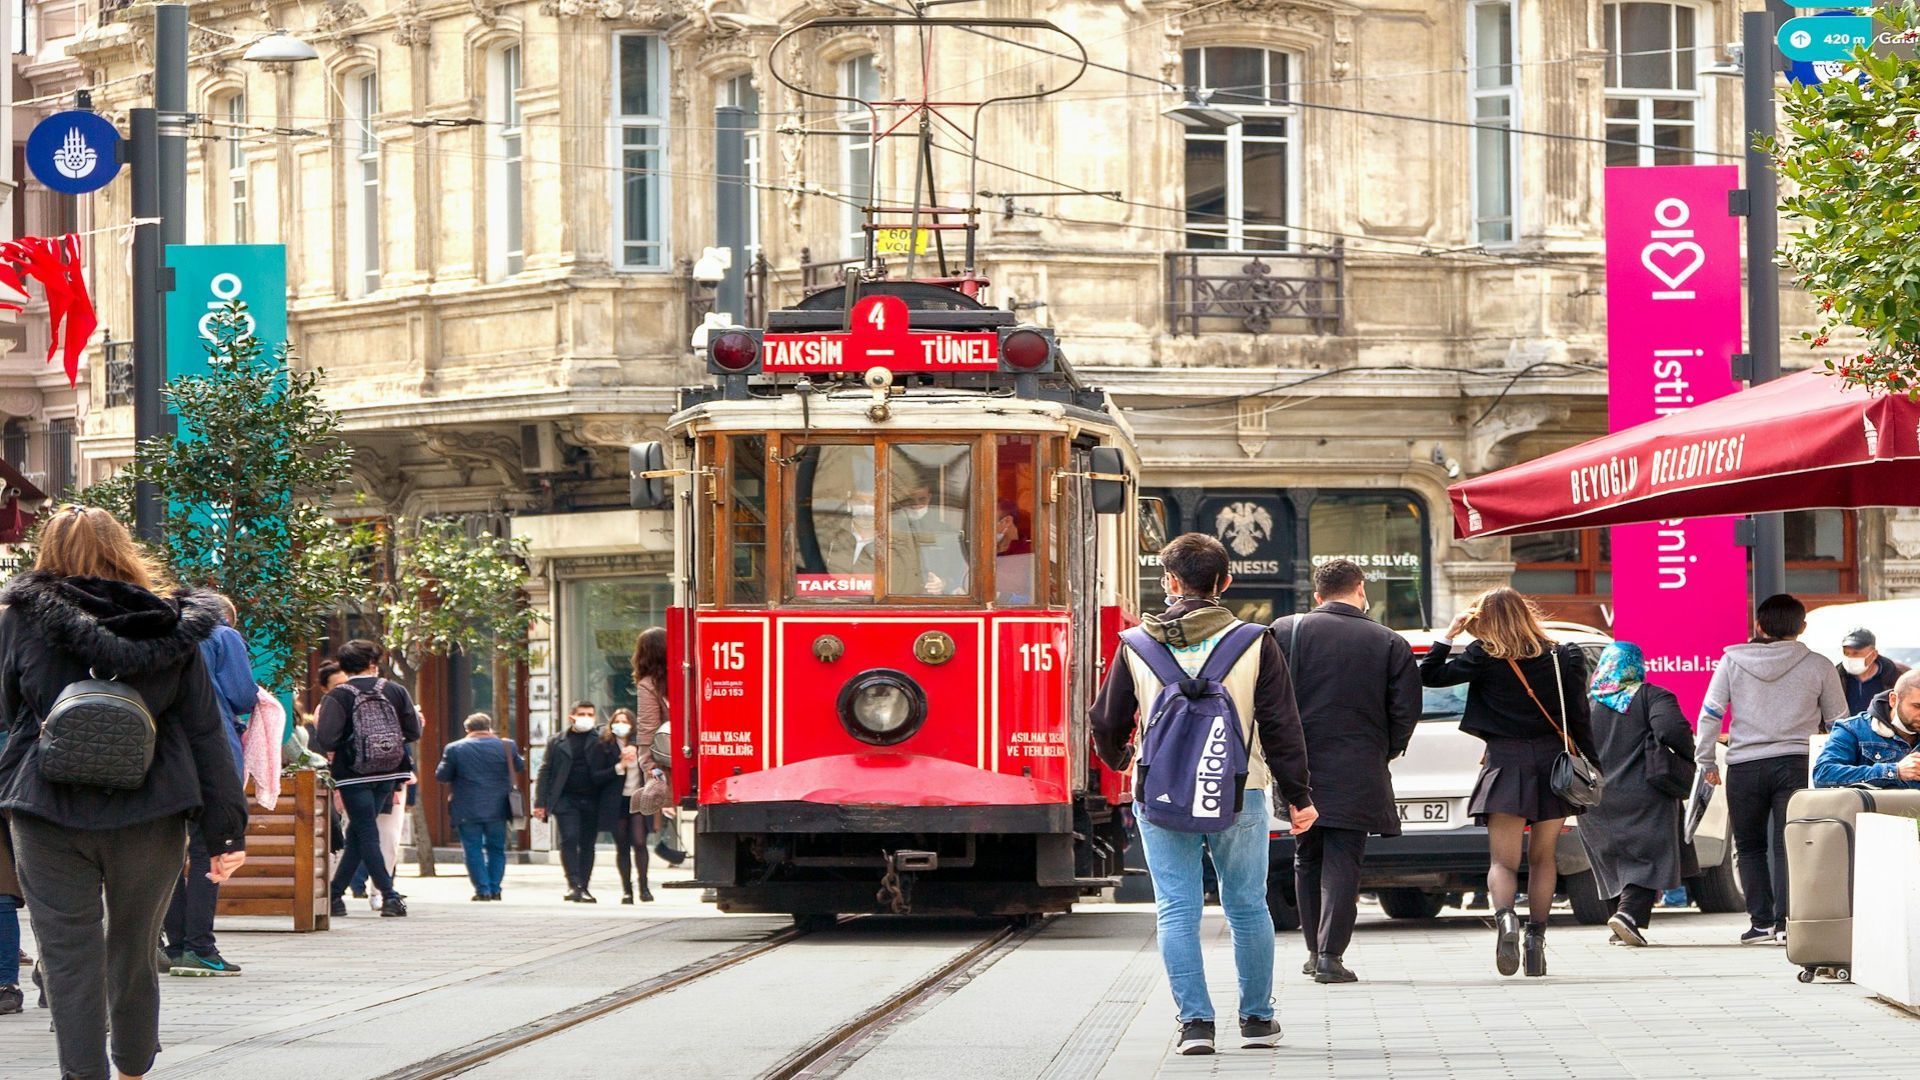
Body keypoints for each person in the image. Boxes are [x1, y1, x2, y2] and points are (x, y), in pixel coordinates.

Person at [0, 506, 248, 1080]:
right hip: (151, 808)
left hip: (45, 807)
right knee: (134, 948)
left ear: (47, 552)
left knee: (67, 955)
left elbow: (9, 709)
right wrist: (227, 831)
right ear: (124, 549)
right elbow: (206, 729)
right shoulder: (173, 624)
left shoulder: (19, 619)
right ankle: (134, 1067)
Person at [1091, 533, 1317, 1056]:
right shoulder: (1256, 641)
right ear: (1225, 582)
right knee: (1247, 906)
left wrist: (1121, 760)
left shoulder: (1134, 645)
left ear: (1169, 582)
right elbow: (1284, 728)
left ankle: (1195, 1024)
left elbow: (1105, 721)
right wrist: (1299, 796)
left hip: (1160, 792)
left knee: (1176, 908)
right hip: (1241, 790)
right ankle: (1257, 1019)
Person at [1420, 587, 1595, 978]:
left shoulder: (1483, 656)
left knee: (1502, 860)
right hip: (1553, 767)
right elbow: (1579, 715)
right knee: (1543, 858)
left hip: (1505, 763)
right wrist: (1593, 763)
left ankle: (1506, 921)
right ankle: (1536, 939)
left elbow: (1429, 676)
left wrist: (1448, 633)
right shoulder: (1562, 655)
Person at [1270, 558, 1419, 985]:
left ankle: (1314, 950)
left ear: (1317, 595)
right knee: (1344, 859)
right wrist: (1382, 750)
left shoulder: (1283, 631)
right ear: (1360, 589)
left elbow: (1265, 700)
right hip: (1358, 766)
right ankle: (1331, 956)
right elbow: (1406, 711)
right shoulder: (1388, 641)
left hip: (1297, 766)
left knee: (1306, 855)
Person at [1697, 593, 1849, 944]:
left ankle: (1760, 923)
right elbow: (1839, 722)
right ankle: (1786, 924)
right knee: (1790, 843)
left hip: (1744, 765)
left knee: (1748, 846)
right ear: (1802, 627)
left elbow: (1710, 713)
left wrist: (1706, 759)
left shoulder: (1732, 661)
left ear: (1759, 626)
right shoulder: (1819, 665)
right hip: (1796, 764)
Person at [1576, 642, 1694, 947]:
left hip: (1595, 799)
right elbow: (1672, 729)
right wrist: (1686, 757)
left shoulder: (1586, 705)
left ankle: (1622, 922)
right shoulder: (1651, 695)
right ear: (1636, 665)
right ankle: (1627, 915)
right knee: (1651, 855)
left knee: (1612, 859)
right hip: (1644, 792)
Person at [163, 593, 256, 978]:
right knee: (207, 850)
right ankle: (200, 947)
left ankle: (178, 944)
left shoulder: (161, 635)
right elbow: (241, 695)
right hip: (209, 752)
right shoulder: (223, 636)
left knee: (165, 852)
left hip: (162, 754)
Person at [315, 639, 422, 919]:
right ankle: (336, 894)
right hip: (389, 770)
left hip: (352, 773)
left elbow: (326, 737)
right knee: (361, 832)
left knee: (364, 830)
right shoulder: (395, 690)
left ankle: (389, 896)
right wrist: (386, 744)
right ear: (372, 663)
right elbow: (414, 730)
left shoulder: (338, 696)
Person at [534, 701, 618, 902]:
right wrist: (540, 802)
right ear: (571, 717)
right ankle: (573, 884)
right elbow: (545, 770)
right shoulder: (557, 741)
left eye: (590, 714)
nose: (586, 718)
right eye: (582, 714)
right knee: (569, 838)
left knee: (588, 843)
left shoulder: (601, 739)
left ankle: (584, 886)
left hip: (593, 798)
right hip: (565, 798)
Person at [436, 712, 523, 901]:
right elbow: (519, 766)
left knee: (472, 849)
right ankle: (495, 888)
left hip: (467, 807)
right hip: (499, 807)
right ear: (489, 727)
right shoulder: (507, 746)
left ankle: (482, 890)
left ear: (467, 729)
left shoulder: (454, 748)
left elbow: (442, 775)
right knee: (497, 849)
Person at [622, 627, 674, 898]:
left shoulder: (648, 684)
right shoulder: (685, 674)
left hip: (668, 760)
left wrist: (647, 765)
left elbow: (647, 726)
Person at [1814, 668, 1920, 790]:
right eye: (1917, 706)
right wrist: (1895, 771)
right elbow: (1823, 775)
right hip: (1871, 808)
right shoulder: (1853, 729)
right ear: (1893, 700)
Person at [601, 709, 640, 903]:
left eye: (625, 721)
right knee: (622, 845)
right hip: (616, 802)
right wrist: (620, 766)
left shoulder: (640, 745)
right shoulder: (606, 746)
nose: (621, 724)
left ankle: (644, 885)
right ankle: (627, 889)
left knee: (640, 842)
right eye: (617, 721)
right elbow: (598, 775)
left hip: (638, 800)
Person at [1837, 627, 1909, 718]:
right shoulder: (1835, 676)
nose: (1850, 658)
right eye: (1846, 653)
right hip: (1845, 730)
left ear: (1874, 654)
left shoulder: (1898, 675)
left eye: (1856, 653)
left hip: (1884, 730)